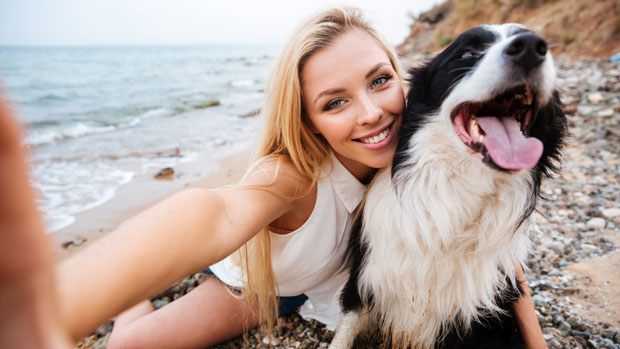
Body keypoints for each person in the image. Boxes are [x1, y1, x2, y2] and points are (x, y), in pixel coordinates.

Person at [0, 6, 546, 349]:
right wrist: (45, 307)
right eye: (334, 102)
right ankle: (132, 296)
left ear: (401, 77)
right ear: (306, 119)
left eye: (379, 80)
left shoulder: (423, 135)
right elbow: (215, 214)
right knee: (130, 344)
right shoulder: (293, 175)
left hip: (341, 285)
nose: (371, 113)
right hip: (267, 286)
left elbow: (493, 249)